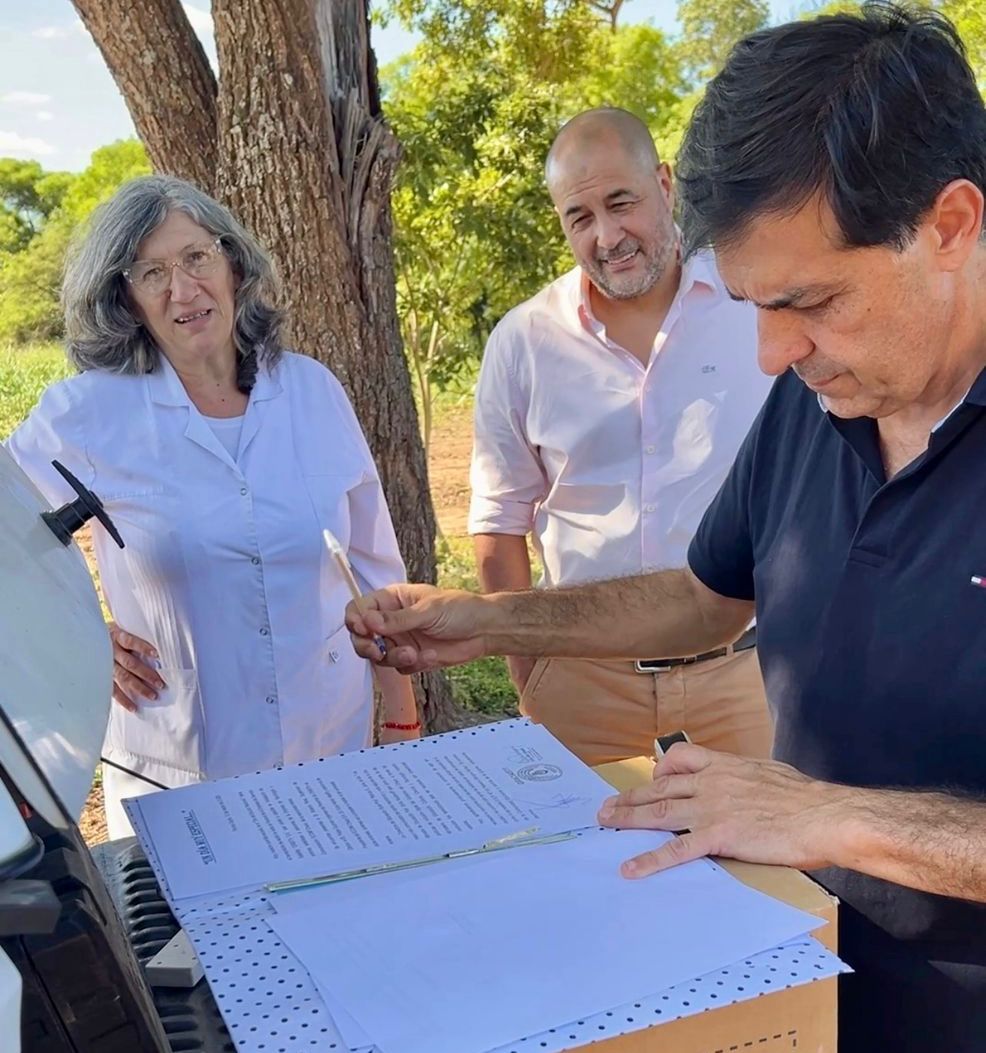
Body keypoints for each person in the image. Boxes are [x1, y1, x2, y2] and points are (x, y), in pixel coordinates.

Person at [347, 5, 986, 1050]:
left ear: (948, 225)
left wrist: (833, 815)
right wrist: (493, 619)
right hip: (811, 982)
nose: (771, 353)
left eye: (810, 300)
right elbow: (702, 595)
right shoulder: (818, 394)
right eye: (752, 305)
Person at [7, 175, 419, 838]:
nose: (183, 289)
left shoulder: (312, 391)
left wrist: (400, 713)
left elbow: (375, 575)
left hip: (329, 750)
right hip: (180, 778)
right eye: (152, 273)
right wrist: (78, 639)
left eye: (197, 257)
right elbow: (7, 540)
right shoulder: (87, 414)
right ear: (126, 298)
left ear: (233, 263)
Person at [469, 108, 773, 765]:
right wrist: (533, 677)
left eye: (620, 202)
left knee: (767, 839)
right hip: (583, 690)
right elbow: (499, 522)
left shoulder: (753, 303)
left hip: (745, 680)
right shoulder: (523, 343)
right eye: (579, 217)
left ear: (663, 183)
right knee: (583, 839)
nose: (607, 236)